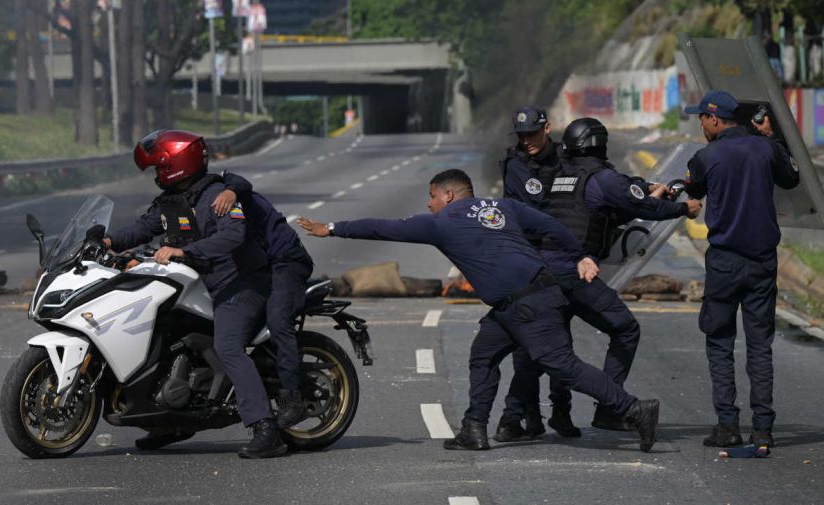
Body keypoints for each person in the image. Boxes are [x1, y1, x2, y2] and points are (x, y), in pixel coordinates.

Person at [296, 169, 662, 453]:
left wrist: (331, 228)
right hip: (519, 301)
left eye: (431, 197)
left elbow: (382, 228)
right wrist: (581, 254)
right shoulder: (503, 207)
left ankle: (632, 409)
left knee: (563, 366)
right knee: (483, 354)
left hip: (528, 303)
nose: (428, 204)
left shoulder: (443, 221)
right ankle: (474, 429)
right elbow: (550, 224)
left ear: (449, 194)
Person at [496, 117, 702, 443]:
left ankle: (511, 418)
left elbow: (598, 209)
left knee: (546, 349)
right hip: (574, 271)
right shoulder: (602, 178)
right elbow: (643, 207)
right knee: (625, 328)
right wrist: (682, 208)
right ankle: (610, 408)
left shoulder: (554, 174)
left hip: (541, 271)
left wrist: (643, 189)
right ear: (599, 144)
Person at [104, 129, 287, 459]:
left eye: (160, 167)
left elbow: (233, 237)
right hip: (200, 285)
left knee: (227, 345)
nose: (157, 175)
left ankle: (266, 427)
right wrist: (108, 242)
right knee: (158, 332)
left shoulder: (219, 195)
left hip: (240, 285)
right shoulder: (173, 199)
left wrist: (184, 252)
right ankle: (169, 422)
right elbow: (144, 226)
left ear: (177, 164)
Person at [682, 90, 799, 448]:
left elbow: (693, 189)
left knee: (719, 342)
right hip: (763, 261)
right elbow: (791, 179)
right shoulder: (766, 149)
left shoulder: (707, 155)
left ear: (715, 119)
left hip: (724, 262)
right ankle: (763, 427)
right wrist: (771, 137)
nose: (700, 123)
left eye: (702, 118)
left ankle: (728, 426)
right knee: (759, 345)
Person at [210, 173, 315, 428]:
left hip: (285, 260)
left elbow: (241, 183)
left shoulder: (221, 186)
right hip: (254, 267)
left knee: (277, 318)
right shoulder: (184, 198)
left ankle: (293, 399)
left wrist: (231, 191)